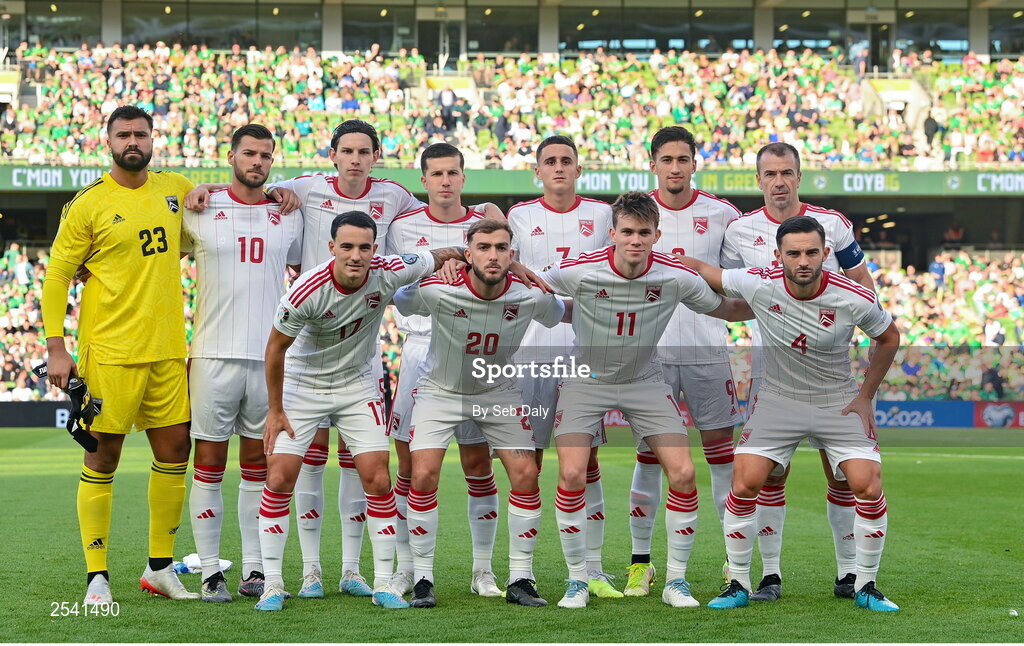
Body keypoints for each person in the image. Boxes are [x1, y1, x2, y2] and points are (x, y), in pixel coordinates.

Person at [540, 191, 752, 609]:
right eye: (627, 232)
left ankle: (676, 581)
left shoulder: (676, 275)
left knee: (685, 473)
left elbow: (725, 309)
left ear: (657, 234)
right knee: (571, 476)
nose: (635, 240)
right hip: (586, 380)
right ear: (612, 233)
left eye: (644, 232)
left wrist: (780, 299)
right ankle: (578, 580)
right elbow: (528, 283)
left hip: (645, 380)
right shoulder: (578, 270)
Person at [682, 216, 901, 612]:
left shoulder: (854, 296)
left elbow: (889, 337)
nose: (803, 261)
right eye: (794, 253)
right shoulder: (759, 282)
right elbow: (703, 270)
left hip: (838, 400)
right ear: (778, 255)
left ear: (825, 254)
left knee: (867, 485)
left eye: (812, 252)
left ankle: (866, 585)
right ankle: (739, 584)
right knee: (745, 482)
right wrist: (668, 263)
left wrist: (867, 396)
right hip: (779, 399)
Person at [255, 211, 470, 611]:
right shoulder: (305, 291)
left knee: (376, 477)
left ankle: (385, 583)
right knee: (281, 477)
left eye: (365, 247)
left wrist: (462, 254)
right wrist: (275, 409)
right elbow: (275, 350)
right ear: (332, 247)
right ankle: (271, 583)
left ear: (375, 249)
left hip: (356, 385)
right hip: (304, 386)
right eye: (348, 246)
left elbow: (439, 255)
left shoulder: (389, 270)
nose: (357, 255)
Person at [41, 105, 199, 605]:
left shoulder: (175, 188)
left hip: (168, 349)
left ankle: (159, 568)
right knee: (102, 457)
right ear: (107, 140)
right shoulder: (88, 203)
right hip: (109, 351)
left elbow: (206, 231)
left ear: (154, 139)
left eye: (142, 133)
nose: (134, 141)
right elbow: (56, 275)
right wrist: (56, 348)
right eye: (124, 134)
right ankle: (97, 576)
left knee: (175, 451)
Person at [720, 142, 876, 601]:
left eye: (787, 172)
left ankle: (849, 573)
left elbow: (863, 287)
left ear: (799, 176)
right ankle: (769, 575)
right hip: (774, 368)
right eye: (770, 174)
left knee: (843, 475)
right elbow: (734, 300)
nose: (779, 182)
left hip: (832, 370)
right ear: (758, 180)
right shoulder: (739, 231)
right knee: (768, 476)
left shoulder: (833, 224)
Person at [393, 218, 564, 608]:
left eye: (501, 248)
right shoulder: (440, 288)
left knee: (525, 473)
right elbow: (402, 300)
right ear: (467, 254)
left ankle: (521, 577)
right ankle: (422, 578)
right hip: (440, 391)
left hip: (498, 390)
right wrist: (435, 265)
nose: (493, 255)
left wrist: (538, 279)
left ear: (512, 255)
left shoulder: (528, 295)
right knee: (422, 474)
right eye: (483, 247)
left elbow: (556, 313)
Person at [181, 124, 303, 602]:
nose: (257, 161)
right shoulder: (200, 209)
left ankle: (255, 568)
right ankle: (211, 571)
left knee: (259, 464)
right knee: (209, 462)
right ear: (230, 156)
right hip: (212, 353)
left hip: (271, 357)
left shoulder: (288, 214)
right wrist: (197, 189)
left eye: (266, 155)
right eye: (249, 153)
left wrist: (288, 193)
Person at [384, 142, 505, 598]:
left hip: (475, 351)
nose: (446, 181)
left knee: (478, 463)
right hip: (419, 349)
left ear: (463, 177)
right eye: (437, 174)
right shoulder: (401, 226)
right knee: (412, 467)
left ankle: (482, 570)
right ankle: (407, 567)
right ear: (424, 180)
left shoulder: (485, 223)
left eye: (453, 172)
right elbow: (387, 278)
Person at [626, 126, 743, 597]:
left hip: (706, 350)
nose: (675, 167)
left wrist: (700, 273)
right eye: (666, 159)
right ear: (652, 163)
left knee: (720, 456)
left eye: (683, 159)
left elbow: (736, 281)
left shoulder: (722, 214)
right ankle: (640, 563)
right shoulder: (633, 211)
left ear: (695, 163)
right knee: (649, 456)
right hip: (648, 354)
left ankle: (734, 564)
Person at [506, 135, 620, 598]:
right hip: (531, 351)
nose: (558, 168)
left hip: (585, 352)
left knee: (586, 460)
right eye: (549, 161)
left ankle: (592, 569)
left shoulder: (602, 215)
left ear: (578, 169)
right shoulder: (520, 217)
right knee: (527, 463)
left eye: (566, 161)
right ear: (538, 171)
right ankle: (523, 571)